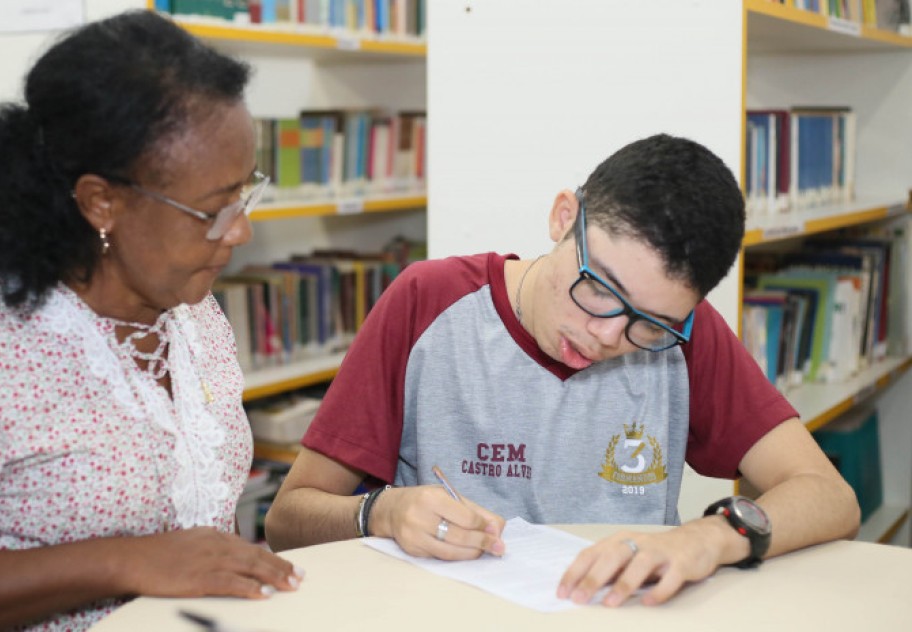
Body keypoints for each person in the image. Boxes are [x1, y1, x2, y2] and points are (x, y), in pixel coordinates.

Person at [264, 134, 859, 607]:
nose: (608, 336)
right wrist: (381, 513)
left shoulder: (683, 337)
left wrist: (711, 537)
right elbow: (287, 520)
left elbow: (830, 497)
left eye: (648, 323)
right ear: (562, 217)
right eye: (599, 289)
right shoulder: (428, 302)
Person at [0, 10, 304, 630]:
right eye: (215, 210)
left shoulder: (194, 317)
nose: (240, 231)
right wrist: (122, 562)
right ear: (101, 202)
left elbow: (204, 531)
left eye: (245, 194)